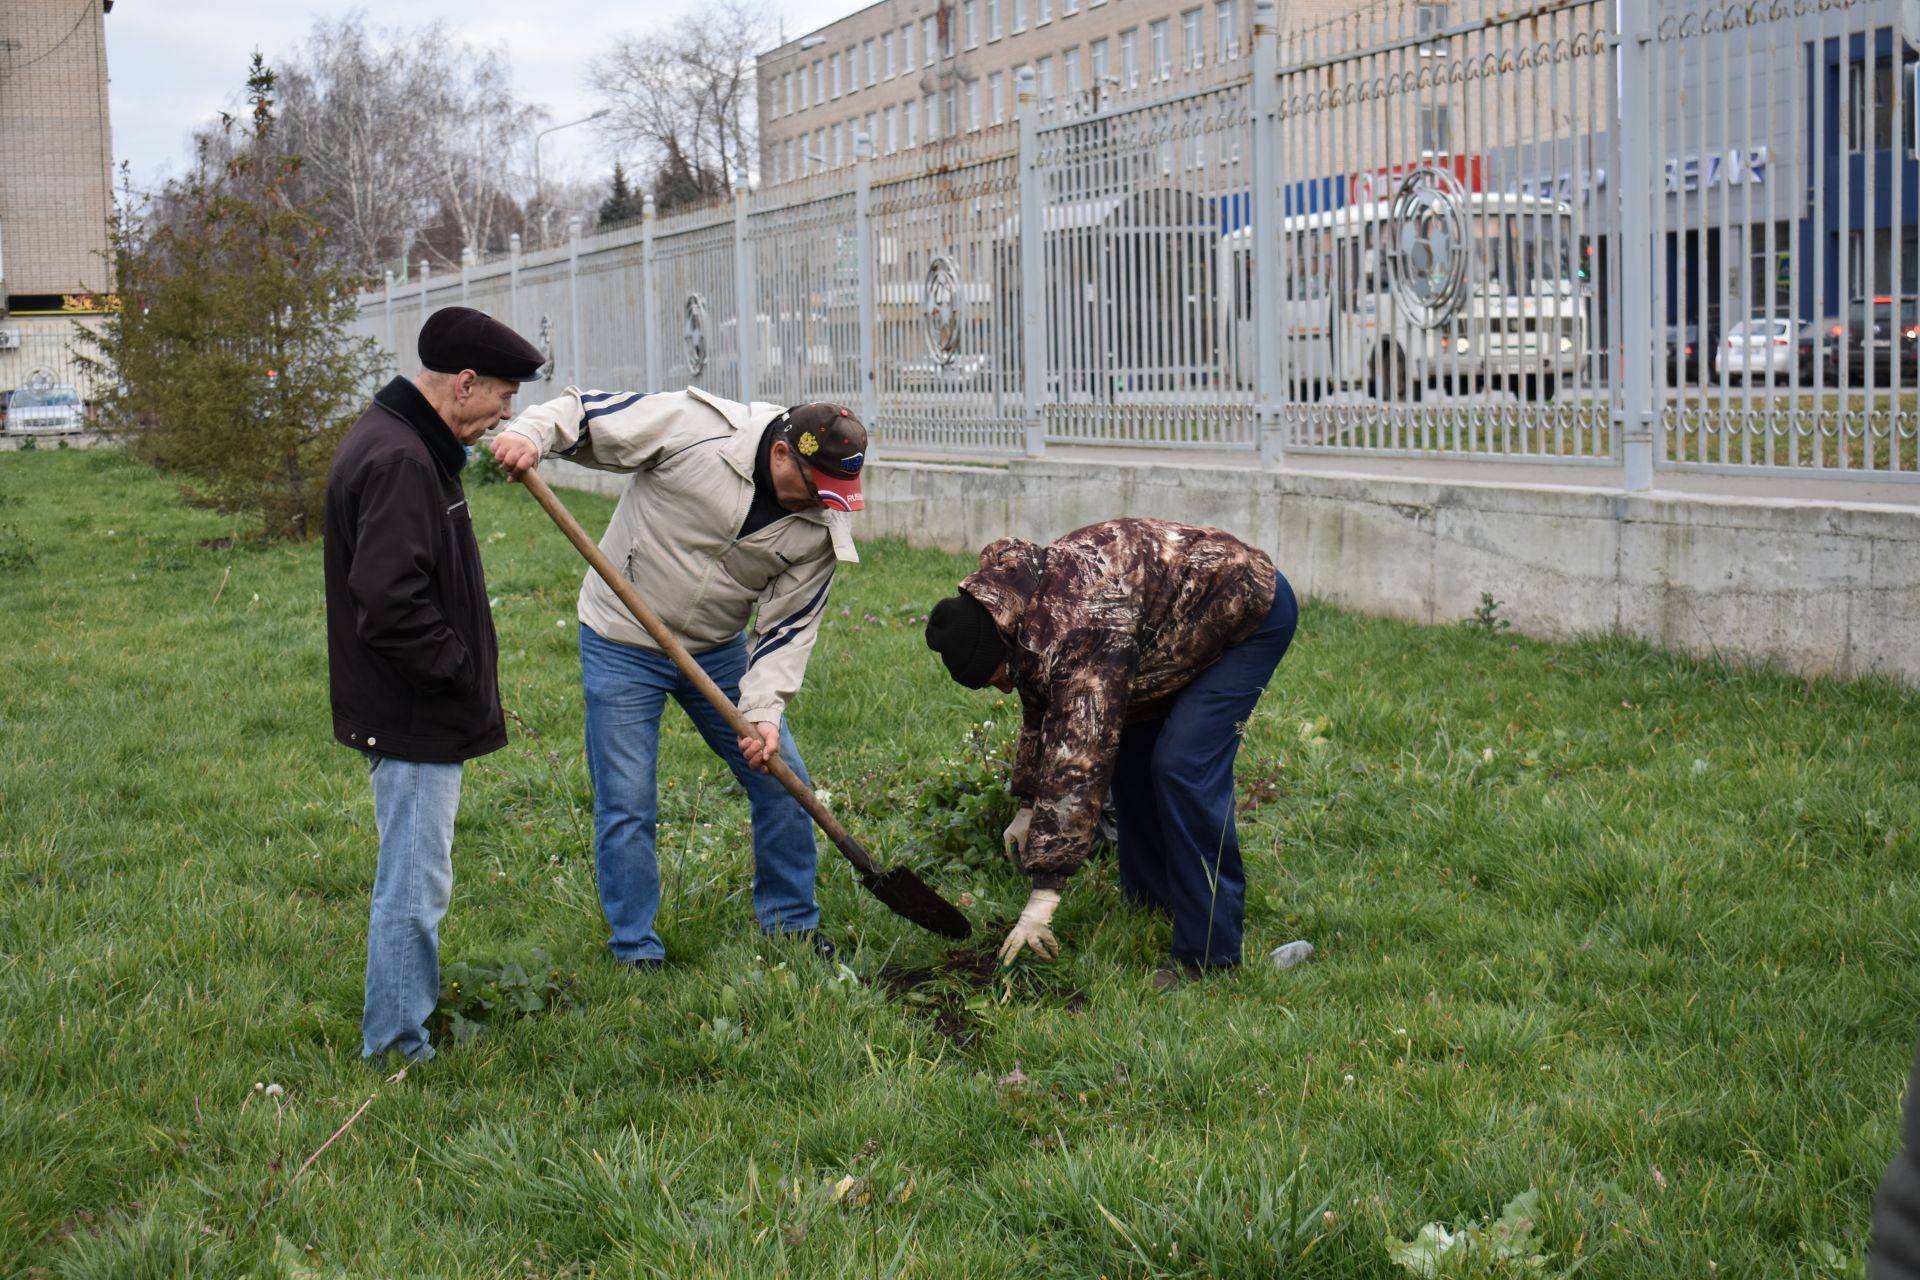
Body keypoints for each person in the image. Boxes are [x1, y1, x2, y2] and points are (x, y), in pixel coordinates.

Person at [489, 390, 866, 969]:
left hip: (715, 652)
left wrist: (763, 714)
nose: (823, 504)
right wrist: (531, 434)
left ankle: (790, 925)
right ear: (784, 455)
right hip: (621, 637)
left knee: (783, 781)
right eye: (816, 488)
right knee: (627, 799)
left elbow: (787, 630)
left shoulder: (820, 529)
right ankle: (635, 949)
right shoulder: (700, 430)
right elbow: (586, 413)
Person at [924, 518, 1298, 990]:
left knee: (1183, 766)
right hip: (1157, 633)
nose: (1002, 689)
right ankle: (1151, 902)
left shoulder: (1079, 629)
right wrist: (1027, 801)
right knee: (1134, 759)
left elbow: (1078, 760)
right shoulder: (1022, 609)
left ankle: (1209, 956)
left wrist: (1045, 895)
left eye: (998, 677)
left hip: (1246, 615)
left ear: (1001, 646)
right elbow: (1043, 704)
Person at [324, 305, 545, 1061]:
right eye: (501, 399)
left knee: (415, 881)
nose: (503, 417)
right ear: (463, 383)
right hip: (413, 710)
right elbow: (389, 605)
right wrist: (456, 671)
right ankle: (394, 1045)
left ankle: (400, 1030)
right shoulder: (401, 460)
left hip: (412, 706)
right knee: (414, 890)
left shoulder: (406, 442)